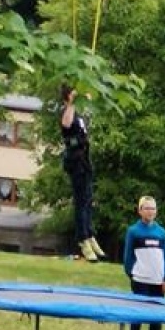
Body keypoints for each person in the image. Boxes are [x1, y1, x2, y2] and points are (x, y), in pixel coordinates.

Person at [121, 195, 165, 330]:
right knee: (138, 314)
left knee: (156, 317)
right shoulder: (133, 231)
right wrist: (132, 273)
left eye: (153, 208)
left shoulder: (161, 233)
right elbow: (128, 257)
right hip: (140, 280)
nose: (150, 211)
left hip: (158, 281)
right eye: (147, 208)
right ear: (140, 210)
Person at [59, 86, 102, 261]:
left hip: (85, 161)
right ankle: (83, 239)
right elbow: (66, 124)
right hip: (75, 162)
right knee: (81, 202)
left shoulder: (80, 115)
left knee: (88, 201)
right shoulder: (67, 112)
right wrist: (71, 103)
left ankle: (90, 234)